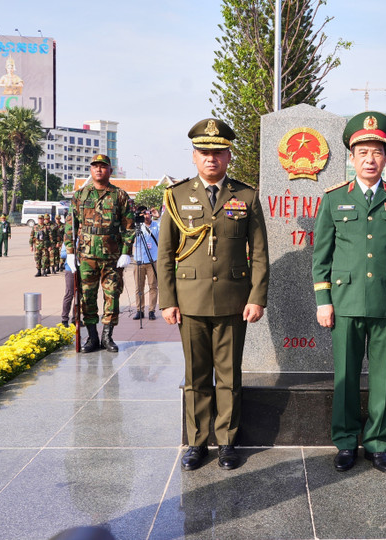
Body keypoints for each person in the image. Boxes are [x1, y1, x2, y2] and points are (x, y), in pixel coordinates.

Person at [158, 118, 269, 471]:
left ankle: (227, 441)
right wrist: (167, 300)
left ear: (228, 156)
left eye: (218, 152)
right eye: (204, 152)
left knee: (229, 375)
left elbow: (260, 254)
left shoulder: (246, 196)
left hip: (234, 301)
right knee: (196, 376)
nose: (211, 158)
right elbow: (165, 253)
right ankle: (196, 442)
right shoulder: (176, 196)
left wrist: (257, 297)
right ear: (193, 156)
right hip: (190, 300)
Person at [313, 111, 386, 474]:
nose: (369, 159)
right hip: (344, 303)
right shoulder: (333, 199)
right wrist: (324, 301)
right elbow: (321, 256)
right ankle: (345, 442)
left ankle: (377, 444)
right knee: (345, 377)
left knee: (383, 377)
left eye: (376, 152)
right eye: (362, 152)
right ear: (352, 157)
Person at [65, 154, 135, 353]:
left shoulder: (119, 195)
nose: (98, 169)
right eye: (95, 166)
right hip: (86, 256)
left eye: (103, 166)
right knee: (87, 296)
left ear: (110, 171)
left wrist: (126, 252)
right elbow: (70, 225)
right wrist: (70, 252)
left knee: (112, 295)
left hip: (112, 256)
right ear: (90, 170)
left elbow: (129, 226)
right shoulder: (80, 195)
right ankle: (92, 337)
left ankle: (107, 336)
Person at [132, 205, 160, 321]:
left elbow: (166, 229)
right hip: (139, 260)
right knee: (139, 287)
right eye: (143, 214)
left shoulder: (157, 225)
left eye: (147, 213)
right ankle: (140, 310)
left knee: (153, 286)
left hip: (152, 260)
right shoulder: (136, 226)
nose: (146, 215)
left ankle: (152, 310)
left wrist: (158, 217)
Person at [60, 244, 75, 326]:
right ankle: (64, 319)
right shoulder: (68, 240)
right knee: (69, 294)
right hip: (70, 269)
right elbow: (62, 254)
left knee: (79, 296)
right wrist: (73, 252)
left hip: (82, 269)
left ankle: (75, 319)